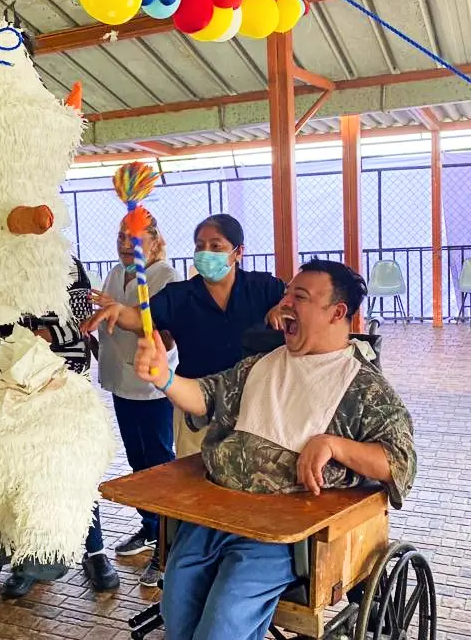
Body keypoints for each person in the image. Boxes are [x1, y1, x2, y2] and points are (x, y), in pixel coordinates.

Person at [133, 259, 417, 640]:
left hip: (275, 535)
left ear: (337, 313)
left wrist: (333, 444)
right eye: (287, 294)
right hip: (215, 513)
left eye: (299, 297)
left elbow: (400, 461)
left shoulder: (364, 388)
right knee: (176, 608)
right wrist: (164, 377)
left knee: (222, 627)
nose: (285, 304)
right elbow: (205, 397)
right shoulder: (259, 365)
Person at [83, 214, 285, 459]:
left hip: (254, 405)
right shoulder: (180, 295)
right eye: (200, 246)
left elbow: (298, 299)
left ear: (238, 252)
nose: (205, 252)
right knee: (194, 479)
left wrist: (284, 305)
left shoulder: (263, 287)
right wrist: (119, 311)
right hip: (196, 406)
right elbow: (139, 317)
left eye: (215, 246)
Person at [1, 256, 120, 599]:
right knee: (24, 471)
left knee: (76, 468)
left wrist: (47, 334)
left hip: (66, 378)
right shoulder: (4, 261)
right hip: (19, 381)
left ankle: (94, 552)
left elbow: (85, 318)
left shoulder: (65, 263)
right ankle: (27, 560)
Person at [95, 212, 180, 587]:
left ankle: (169, 544)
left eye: (135, 238)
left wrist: (127, 319)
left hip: (151, 387)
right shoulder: (116, 274)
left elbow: (169, 334)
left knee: (160, 463)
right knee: (137, 462)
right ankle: (149, 527)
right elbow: (108, 320)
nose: (126, 244)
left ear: (154, 240)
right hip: (120, 382)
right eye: (121, 237)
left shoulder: (165, 277)